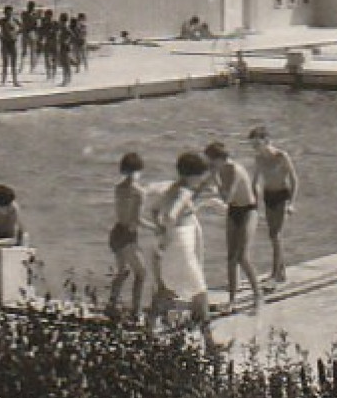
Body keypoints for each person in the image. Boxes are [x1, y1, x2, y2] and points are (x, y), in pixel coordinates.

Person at [154, 151, 226, 350]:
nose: (202, 178)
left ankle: (149, 330)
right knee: (200, 292)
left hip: (175, 245)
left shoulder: (174, 188)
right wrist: (169, 230)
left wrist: (163, 235)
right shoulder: (184, 192)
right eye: (201, 175)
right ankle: (209, 342)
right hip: (182, 245)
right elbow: (170, 215)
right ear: (192, 175)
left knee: (166, 288)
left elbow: (160, 213)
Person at [205, 142, 263, 313]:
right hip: (233, 211)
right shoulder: (219, 169)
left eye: (211, 161)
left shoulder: (234, 170)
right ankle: (232, 300)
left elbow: (226, 197)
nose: (209, 164)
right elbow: (203, 185)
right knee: (231, 258)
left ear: (220, 159)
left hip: (248, 211)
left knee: (242, 257)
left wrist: (214, 179)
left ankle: (258, 296)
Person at [250, 126, 298, 287]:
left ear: (266, 141)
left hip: (282, 196)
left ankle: (275, 274)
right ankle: (280, 272)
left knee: (275, 234)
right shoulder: (259, 159)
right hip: (268, 196)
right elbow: (255, 181)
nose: (255, 148)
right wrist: (253, 202)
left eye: (257, 144)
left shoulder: (281, 156)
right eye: (253, 145)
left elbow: (294, 180)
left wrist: (292, 203)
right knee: (273, 235)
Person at [108, 152, 148, 314]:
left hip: (116, 233)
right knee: (141, 273)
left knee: (123, 271)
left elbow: (122, 214)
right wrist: (157, 227)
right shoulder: (139, 192)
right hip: (128, 235)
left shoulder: (119, 189)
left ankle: (112, 304)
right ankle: (136, 310)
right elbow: (136, 221)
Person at [0, 5, 20, 86]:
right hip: (5, 42)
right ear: (4, 13)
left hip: (13, 42)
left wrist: (16, 34)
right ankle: (3, 81)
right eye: (7, 12)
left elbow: (22, 27)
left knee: (13, 63)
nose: (8, 14)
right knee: (5, 62)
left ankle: (15, 81)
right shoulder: (2, 21)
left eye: (10, 12)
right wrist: (0, 36)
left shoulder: (15, 20)